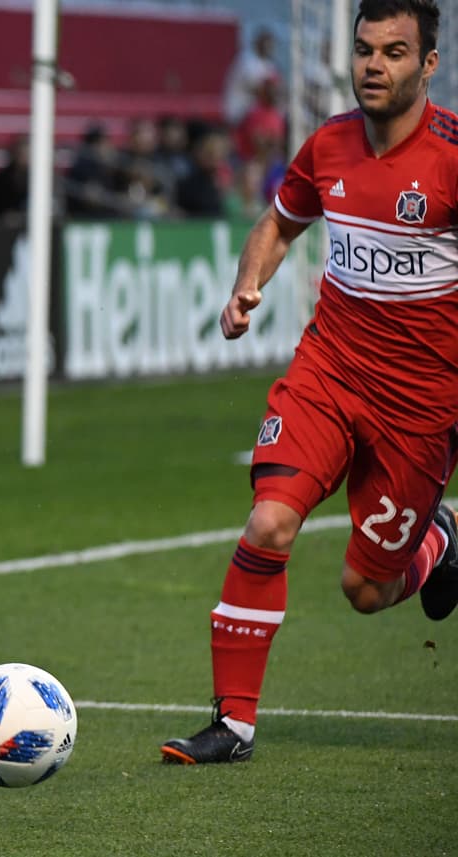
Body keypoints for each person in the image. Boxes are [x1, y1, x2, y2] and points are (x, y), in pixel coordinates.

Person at [160, 0, 458, 766]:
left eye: (394, 52)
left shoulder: (453, 158)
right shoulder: (328, 143)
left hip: (423, 406)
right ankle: (233, 724)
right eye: (365, 49)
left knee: (366, 590)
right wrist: (247, 284)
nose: (373, 65)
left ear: (429, 64)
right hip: (330, 372)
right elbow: (279, 223)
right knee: (269, 522)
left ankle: (441, 538)